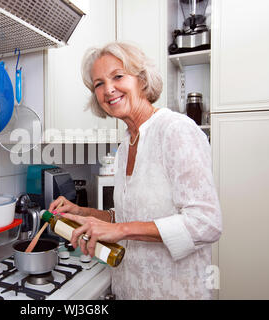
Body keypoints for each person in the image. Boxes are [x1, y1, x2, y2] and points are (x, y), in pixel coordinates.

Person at [48, 42, 222, 300]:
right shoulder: (125, 146)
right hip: (131, 289)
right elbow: (128, 216)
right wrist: (82, 212)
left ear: (141, 80)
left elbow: (207, 223)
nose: (108, 89)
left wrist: (122, 230)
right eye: (98, 84)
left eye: (118, 76)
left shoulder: (175, 130)